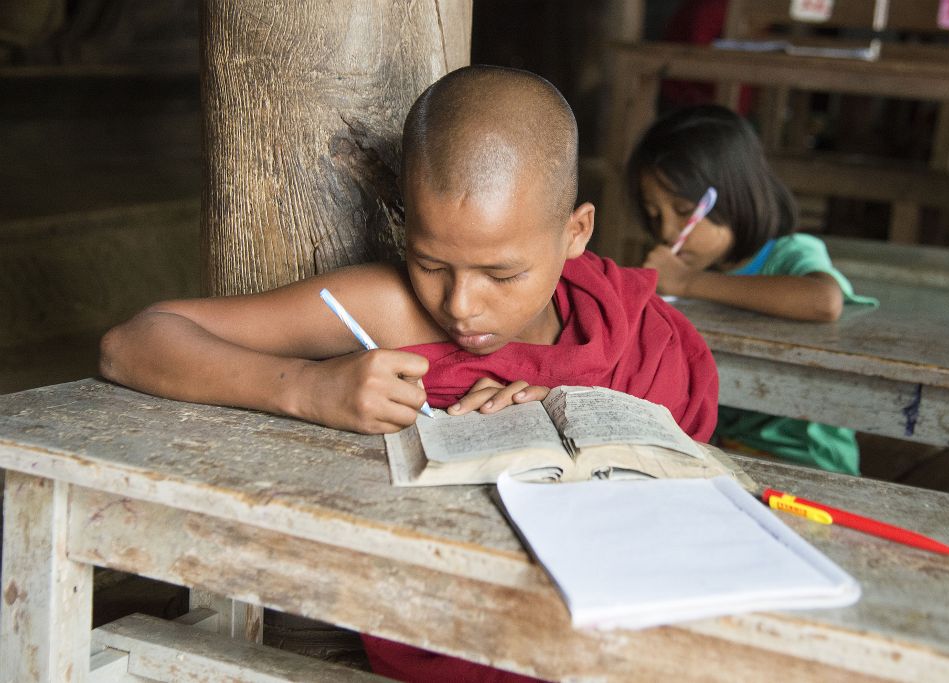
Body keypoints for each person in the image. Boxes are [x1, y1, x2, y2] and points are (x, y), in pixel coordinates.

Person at [100, 65, 719, 683]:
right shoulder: (390, 307)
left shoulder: (622, 319)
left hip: (628, 592)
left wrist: (562, 416)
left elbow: (682, 465)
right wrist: (309, 388)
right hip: (462, 610)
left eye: (501, 276)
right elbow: (133, 342)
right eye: (430, 263)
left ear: (575, 232)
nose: (460, 305)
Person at [629, 104, 878, 476]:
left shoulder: (790, 254)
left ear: (732, 195)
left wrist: (689, 284)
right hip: (723, 454)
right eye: (654, 213)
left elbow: (824, 301)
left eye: (683, 211)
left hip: (807, 460)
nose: (666, 232)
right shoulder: (683, 269)